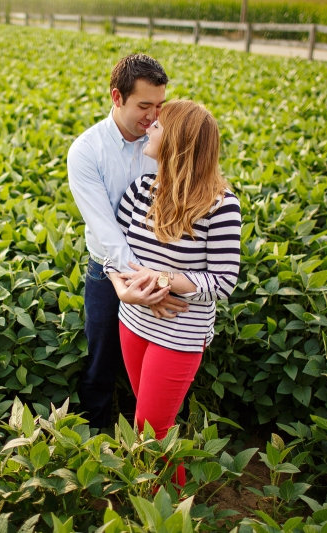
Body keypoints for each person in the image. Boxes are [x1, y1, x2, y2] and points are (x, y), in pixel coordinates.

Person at [103, 100, 241, 486]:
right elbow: (114, 254)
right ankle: (153, 498)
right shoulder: (139, 191)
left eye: (158, 127)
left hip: (179, 333)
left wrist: (163, 278)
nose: (149, 128)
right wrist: (128, 289)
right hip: (133, 322)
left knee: (151, 429)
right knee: (148, 425)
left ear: (177, 142)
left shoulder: (221, 206)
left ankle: (171, 507)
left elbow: (223, 281)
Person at [67, 54, 190, 431]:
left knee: (163, 358)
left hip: (166, 272)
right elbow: (105, 231)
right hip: (108, 273)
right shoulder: (87, 151)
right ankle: (94, 438)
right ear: (116, 97)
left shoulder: (166, 139)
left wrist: (158, 281)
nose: (154, 116)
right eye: (144, 105)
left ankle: (164, 437)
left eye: (160, 105)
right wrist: (142, 283)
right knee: (101, 359)